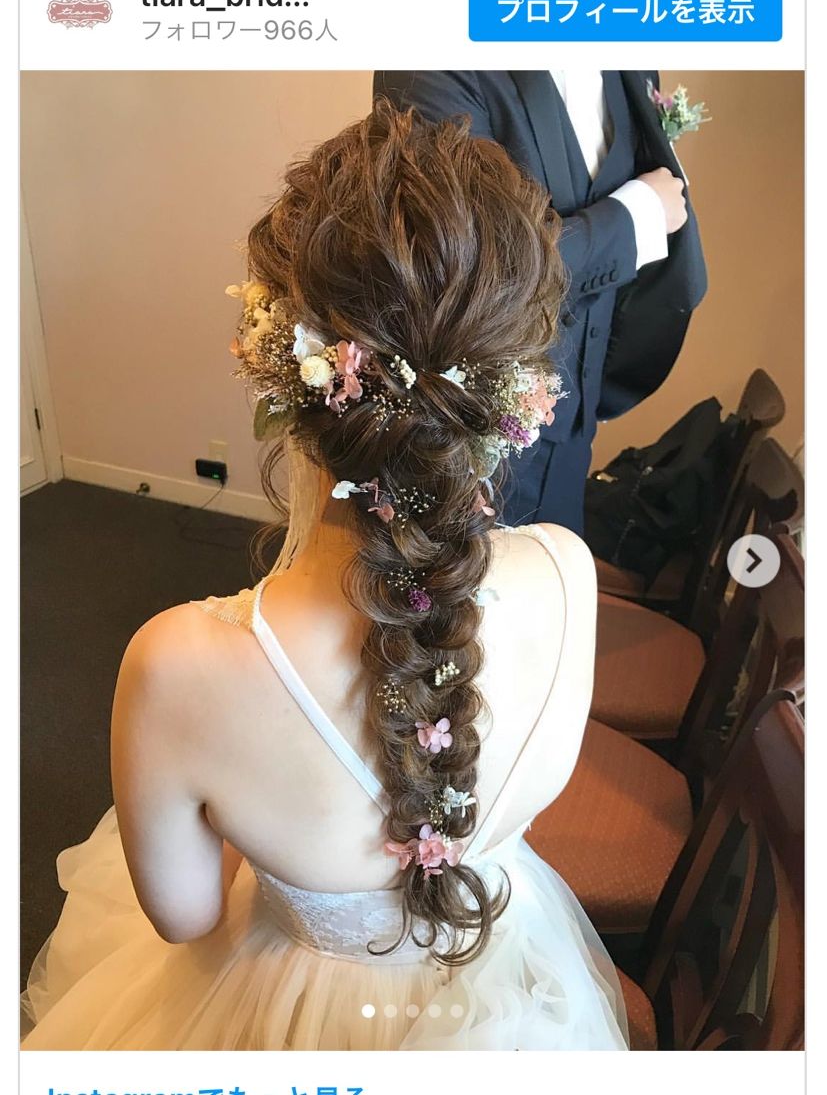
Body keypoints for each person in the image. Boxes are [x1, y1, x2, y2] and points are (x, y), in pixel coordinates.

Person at [21, 103, 628, 1051]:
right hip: (514, 996)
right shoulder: (567, 569)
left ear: (283, 375)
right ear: (516, 388)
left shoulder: (177, 665)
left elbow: (184, 917)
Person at [374, 71, 708, 533]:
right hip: (468, 445)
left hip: (573, 436)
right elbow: (461, 264)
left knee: (556, 575)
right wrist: (637, 217)